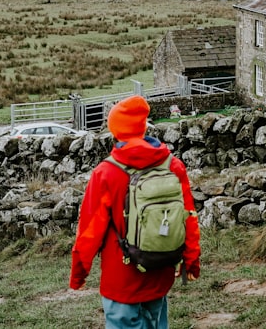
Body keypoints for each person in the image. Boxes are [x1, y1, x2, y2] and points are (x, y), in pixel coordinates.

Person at [70, 95, 201, 329]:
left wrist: (79, 272)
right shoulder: (172, 165)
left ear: (116, 131)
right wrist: (191, 260)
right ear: (142, 128)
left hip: (121, 276)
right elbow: (188, 217)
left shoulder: (106, 173)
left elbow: (90, 230)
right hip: (160, 266)